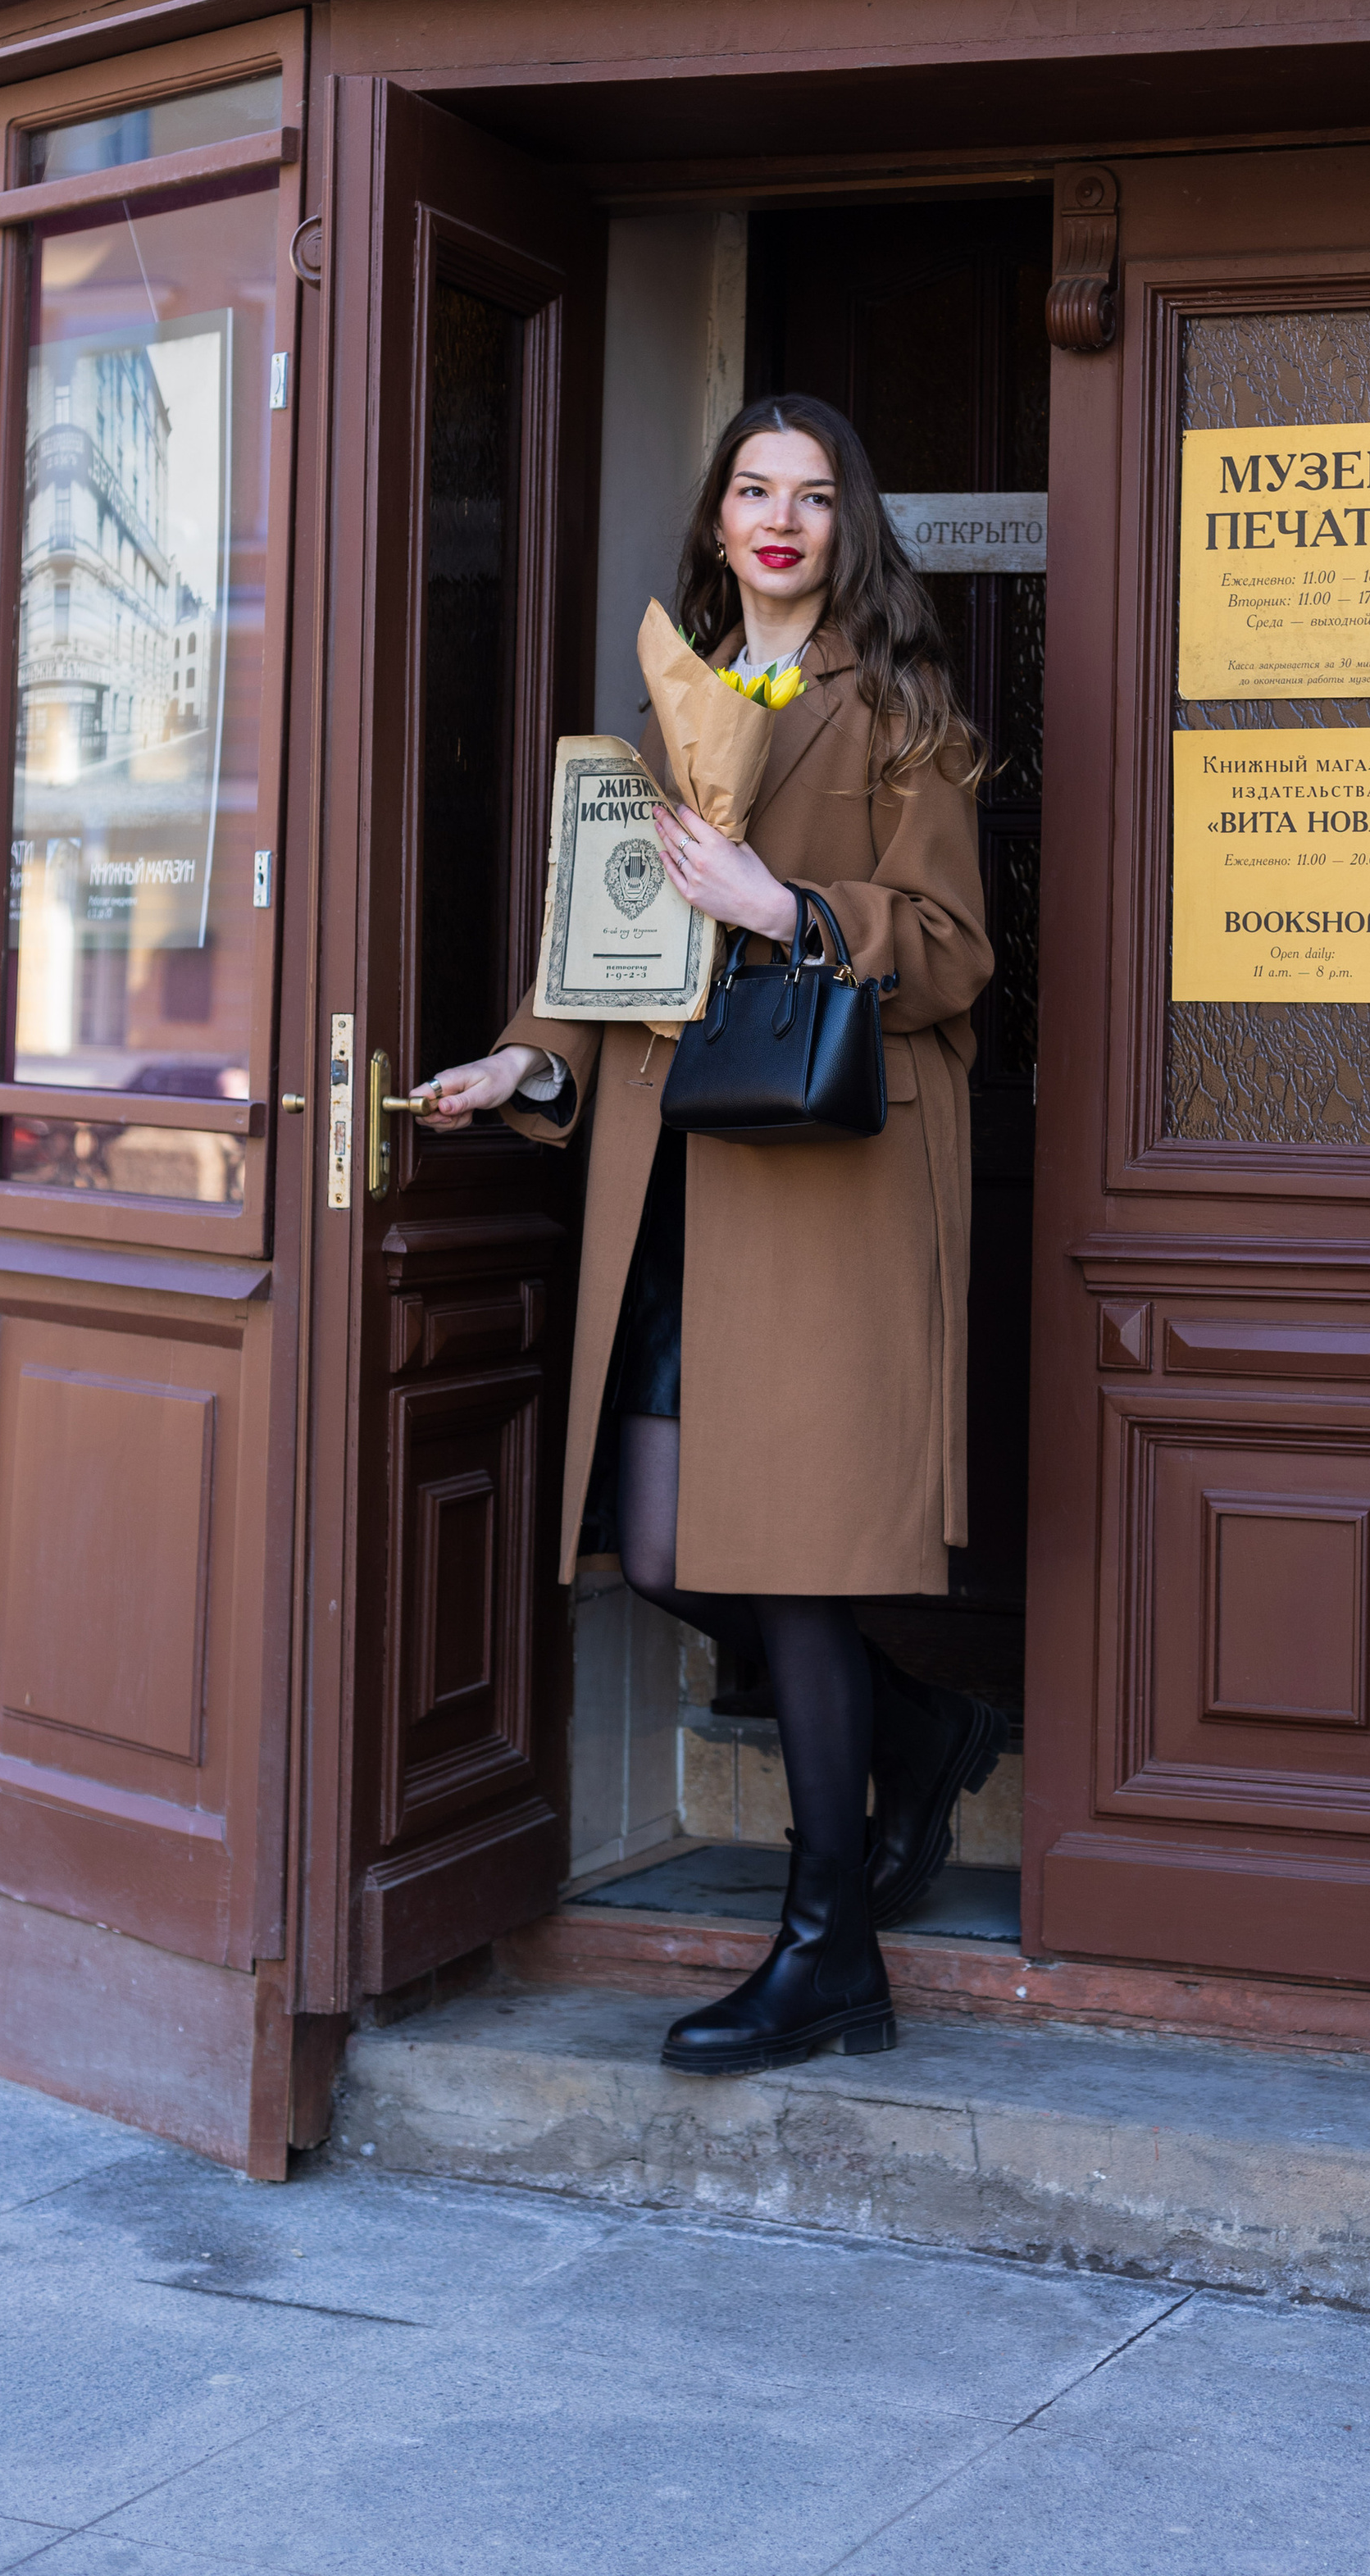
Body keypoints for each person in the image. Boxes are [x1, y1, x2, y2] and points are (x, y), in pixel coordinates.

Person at [425, 394, 1000, 2076]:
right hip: (681, 1186)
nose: (779, 518)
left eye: (814, 495)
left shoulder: (899, 707)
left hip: (824, 1193)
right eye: (754, 488)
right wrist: (518, 1055)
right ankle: (925, 1729)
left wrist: (791, 912)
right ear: (718, 513)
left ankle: (828, 1952)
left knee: (795, 1565)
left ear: (847, 526)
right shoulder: (664, 709)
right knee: (673, 1548)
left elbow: (958, 949)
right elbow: (606, 961)